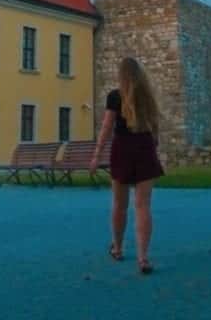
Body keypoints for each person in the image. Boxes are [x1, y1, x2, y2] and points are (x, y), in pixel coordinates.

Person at [90, 57, 164, 275]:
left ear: (121, 74)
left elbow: (106, 127)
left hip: (122, 148)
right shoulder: (147, 97)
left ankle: (118, 248)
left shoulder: (115, 96)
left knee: (119, 205)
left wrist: (96, 154)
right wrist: (154, 143)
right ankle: (143, 258)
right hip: (144, 146)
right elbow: (155, 124)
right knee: (143, 206)